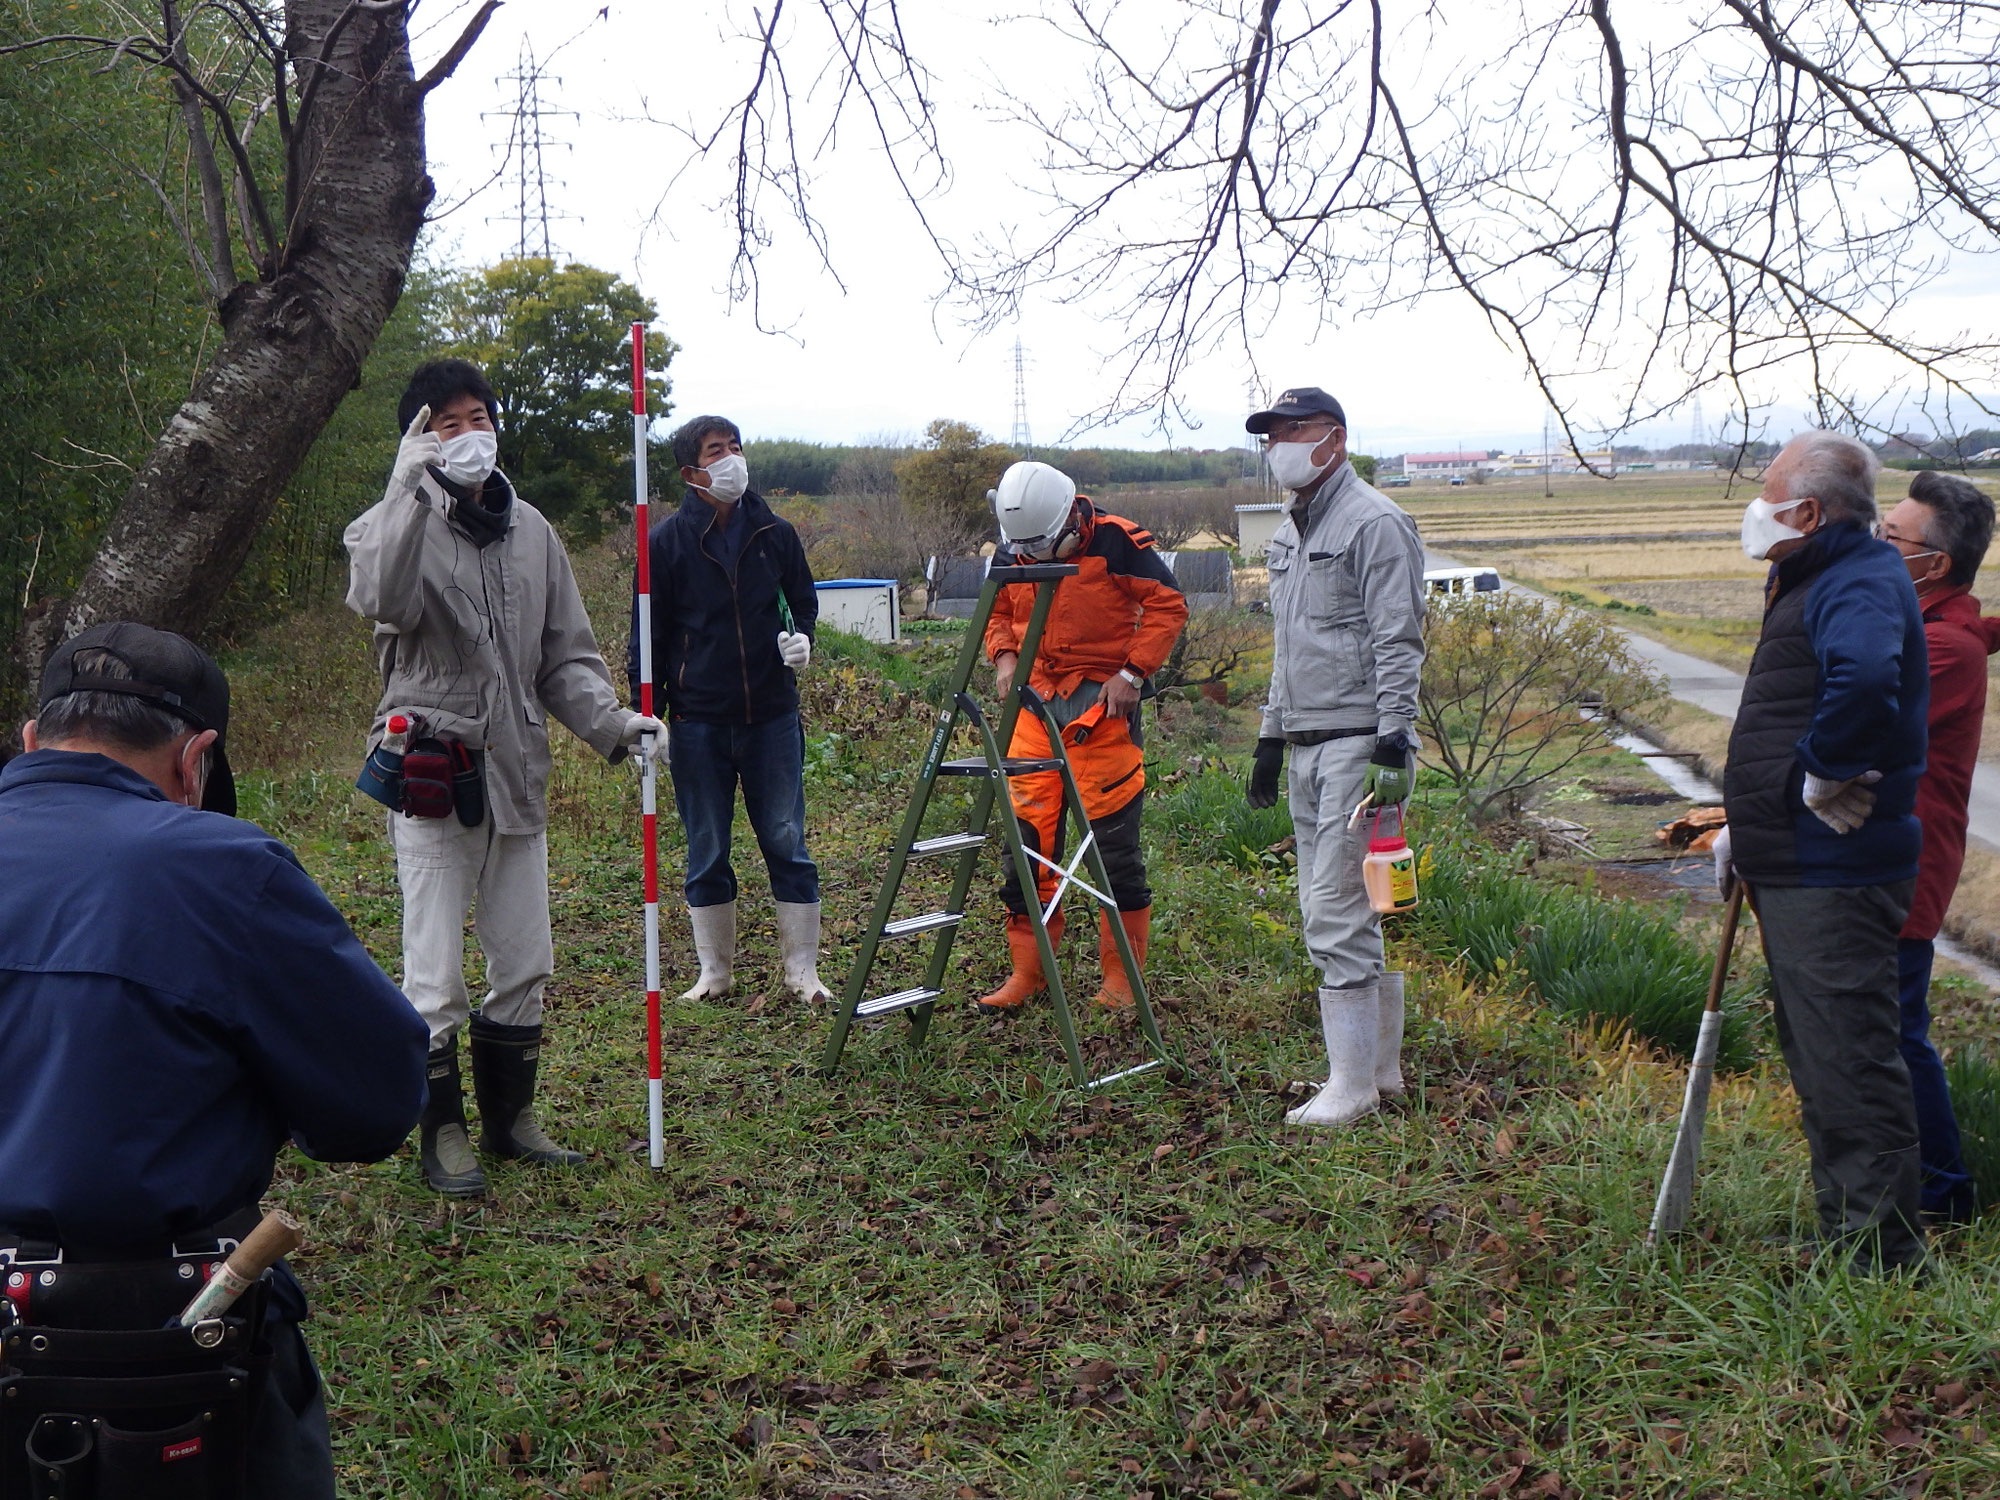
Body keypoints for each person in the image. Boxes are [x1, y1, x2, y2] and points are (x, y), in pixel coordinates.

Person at [0, 623, 427, 1497]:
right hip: (171, 1348)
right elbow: (377, 1107)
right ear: (196, 761)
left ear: (32, 739)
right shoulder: (225, 869)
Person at [345, 359, 661, 1197]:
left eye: (477, 417)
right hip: (431, 774)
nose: (468, 434)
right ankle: (440, 1133)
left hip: (517, 773)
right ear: (418, 438)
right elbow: (379, 596)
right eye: (445, 424)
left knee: (526, 959)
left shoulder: (535, 533)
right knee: (434, 974)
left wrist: (615, 724)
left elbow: (566, 659)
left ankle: (512, 1121)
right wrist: (406, 489)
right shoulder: (384, 526)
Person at [1712, 430, 1929, 1273]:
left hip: (1835, 867)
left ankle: (1878, 1258)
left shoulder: (1857, 579)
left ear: (1808, 510)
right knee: (1822, 1056)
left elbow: (1867, 680)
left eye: (1768, 495)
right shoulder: (1822, 573)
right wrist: (1753, 818)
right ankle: (1850, 1232)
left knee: (1850, 1066)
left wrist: (1822, 773)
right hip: (1798, 857)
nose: (1755, 510)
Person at [1243, 388, 1426, 1128]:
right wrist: (1267, 733)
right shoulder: (1290, 532)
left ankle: (1350, 1088)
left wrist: (1392, 740)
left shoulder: (1375, 524)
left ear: (1335, 440)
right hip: (1307, 743)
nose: (1279, 446)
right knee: (1350, 910)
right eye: (1271, 435)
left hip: (1360, 744)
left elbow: (1398, 638)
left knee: (1333, 914)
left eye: (1294, 431)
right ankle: (1377, 1072)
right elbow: (1292, 648)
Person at [629, 415, 825, 1006]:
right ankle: (715, 973)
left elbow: (804, 605)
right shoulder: (664, 543)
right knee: (707, 846)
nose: (732, 458)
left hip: (772, 715)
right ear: (692, 472)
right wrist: (652, 716)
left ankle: (802, 973)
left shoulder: (776, 533)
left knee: (787, 839)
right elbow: (647, 638)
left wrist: (802, 642)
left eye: (736, 447)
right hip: (696, 721)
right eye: (717, 451)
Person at [978, 460, 1188, 1011]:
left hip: (1102, 704)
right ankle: (1029, 971)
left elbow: (1169, 604)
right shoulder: (1014, 545)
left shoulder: (1120, 542)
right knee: (1026, 844)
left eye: (1042, 548)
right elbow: (996, 609)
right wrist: (1003, 656)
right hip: (1033, 700)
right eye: (1023, 550)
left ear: (1070, 515)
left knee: (1113, 847)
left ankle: (1121, 981)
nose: (1033, 558)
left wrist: (1133, 672)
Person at [1875, 469, 1999, 1223]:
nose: (1876, 547)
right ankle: (1910, 1181)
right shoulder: (1915, 626)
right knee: (1885, 1026)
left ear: (1935, 564)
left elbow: (1861, 723)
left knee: (1898, 1030)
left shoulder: (1943, 648)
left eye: (1891, 538)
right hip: (1890, 855)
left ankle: (1944, 1192)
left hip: (1908, 864)